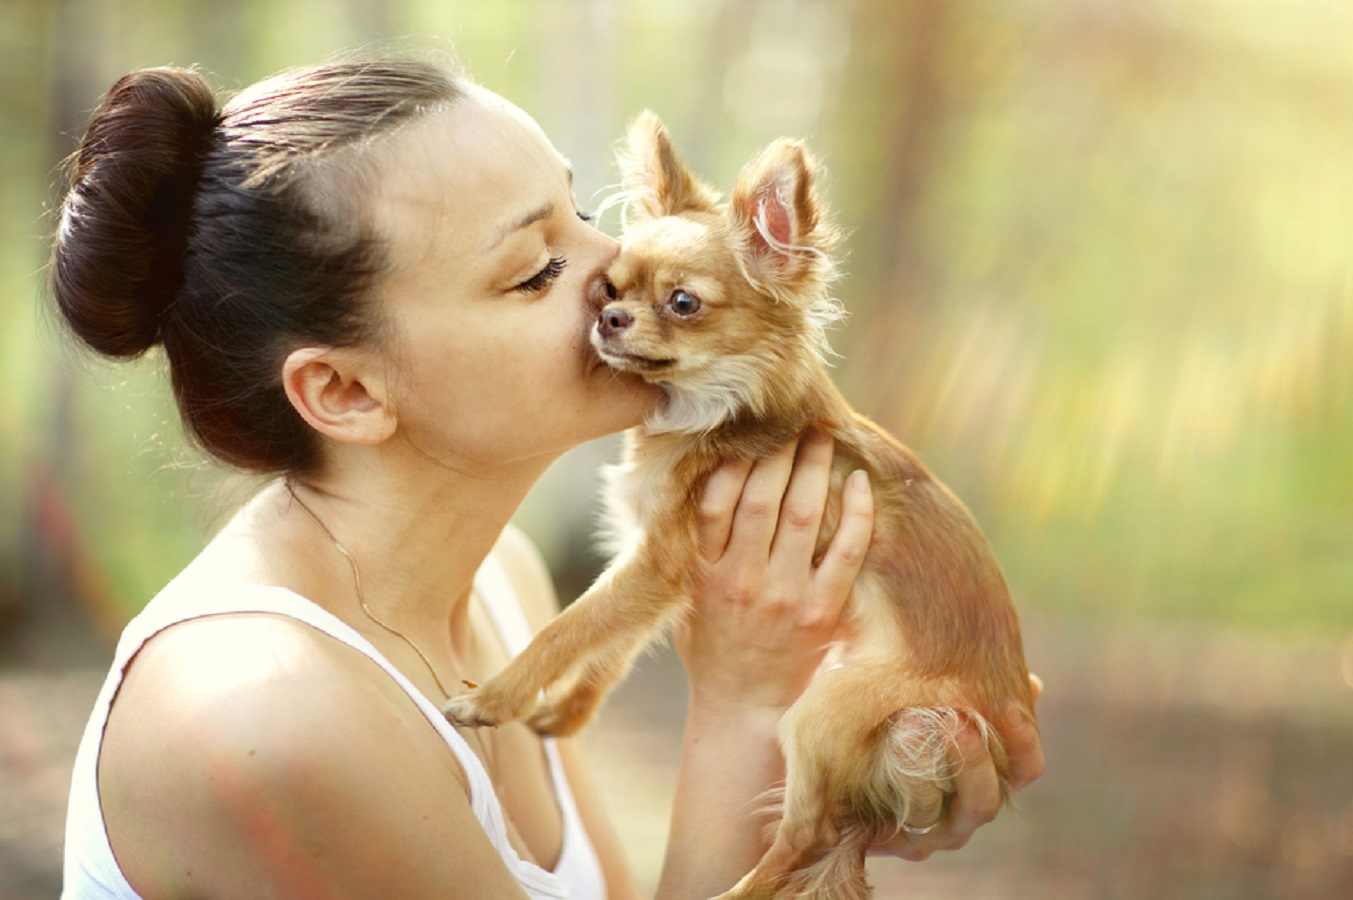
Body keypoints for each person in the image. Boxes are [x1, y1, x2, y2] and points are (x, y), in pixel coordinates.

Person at [49, 54, 1044, 899]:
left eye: (581, 214)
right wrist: (743, 706)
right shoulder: (271, 715)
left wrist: (844, 795)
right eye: (534, 268)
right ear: (347, 393)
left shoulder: (501, 582)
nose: (615, 265)